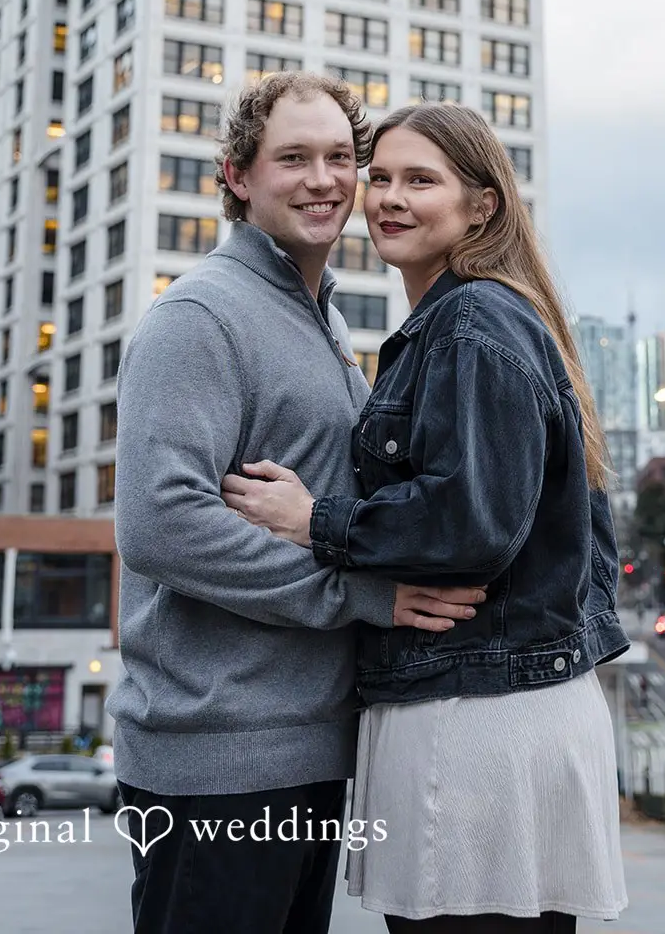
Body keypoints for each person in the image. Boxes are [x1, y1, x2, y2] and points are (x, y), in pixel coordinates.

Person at [224, 102, 630, 932]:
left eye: (421, 180)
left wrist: (316, 520)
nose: (387, 198)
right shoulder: (482, 320)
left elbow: (469, 524)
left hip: (476, 711)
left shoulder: (471, 323)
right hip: (505, 701)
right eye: (379, 178)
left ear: (481, 205)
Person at [109, 73, 483, 934]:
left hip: (306, 747)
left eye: (339, 158)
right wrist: (359, 595)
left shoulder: (320, 322)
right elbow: (161, 526)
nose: (324, 179)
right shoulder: (201, 315)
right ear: (239, 176)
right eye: (292, 159)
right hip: (216, 759)